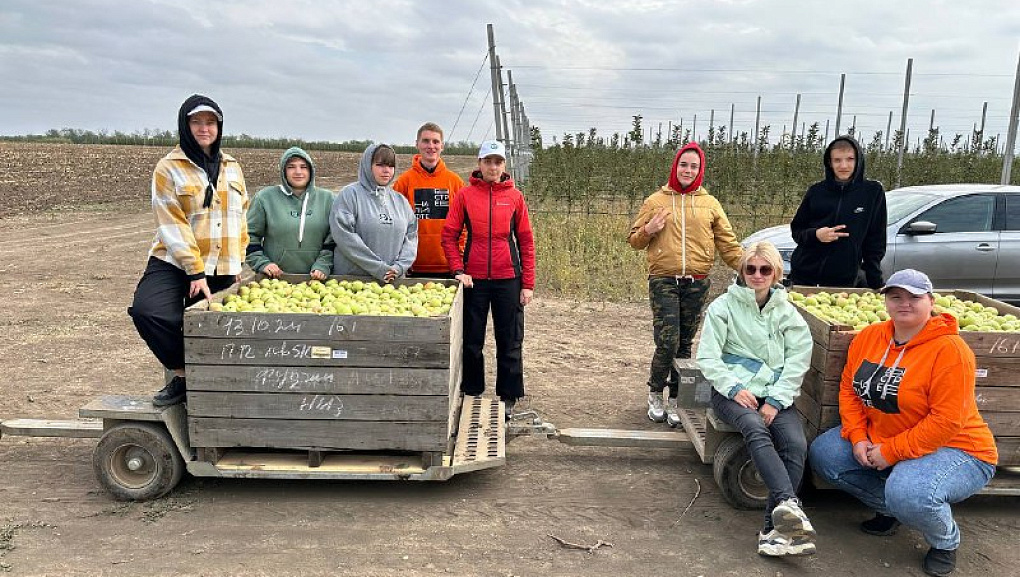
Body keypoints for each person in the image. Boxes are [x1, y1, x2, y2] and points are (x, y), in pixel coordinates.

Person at [809, 269, 997, 577]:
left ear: (931, 301)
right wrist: (857, 437)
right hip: (886, 439)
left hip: (958, 449)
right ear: (886, 301)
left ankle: (944, 540)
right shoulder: (870, 337)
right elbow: (849, 389)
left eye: (914, 297)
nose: (904, 303)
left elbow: (946, 421)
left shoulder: (950, 351)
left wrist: (890, 452)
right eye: (896, 296)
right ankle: (893, 509)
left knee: (909, 491)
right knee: (825, 454)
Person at [696, 241, 816, 557]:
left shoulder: (787, 313)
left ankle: (773, 531)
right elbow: (708, 358)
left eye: (765, 269)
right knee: (754, 428)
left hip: (774, 394)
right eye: (751, 269)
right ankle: (789, 503)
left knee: (795, 443)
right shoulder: (723, 307)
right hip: (731, 393)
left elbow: (798, 358)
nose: (757, 275)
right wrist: (734, 388)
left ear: (776, 273)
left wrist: (776, 400)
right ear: (742, 271)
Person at [128, 94, 248, 406]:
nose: (204, 128)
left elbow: (240, 218)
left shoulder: (232, 167)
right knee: (149, 312)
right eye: (196, 122)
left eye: (210, 122)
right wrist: (194, 269)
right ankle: (184, 376)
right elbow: (172, 222)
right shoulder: (169, 167)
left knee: (215, 330)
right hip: (173, 260)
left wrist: (237, 264)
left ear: (219, 126)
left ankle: (213, 393)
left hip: (220, 264)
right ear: (185, 125)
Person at [628, 142, 743, 427]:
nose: (688, 170)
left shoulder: (710, 204)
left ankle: (678, 399)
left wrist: (752, 270)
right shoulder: (656, 201)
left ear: (700, 170)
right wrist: (648, 230)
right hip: (663, 280)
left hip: (697, 282)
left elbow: (727, 244)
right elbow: (634, 240)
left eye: (694, 166)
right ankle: (656, 391)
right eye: (684, 164)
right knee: (667, 341)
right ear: (675, 166)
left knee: (684, 345)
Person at [441, 140, 535, 419]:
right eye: (488, 161)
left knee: (510, 340)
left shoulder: (515, 197)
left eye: (498, 162)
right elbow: (449, 235)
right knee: (472, 340)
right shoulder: (466, 195)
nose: (493, 167)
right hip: (475, 281)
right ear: (479, 164)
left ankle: (508, 396)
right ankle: (472, 391)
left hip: (509, 279)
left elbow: (526, 242)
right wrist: (458, 269)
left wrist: (527, 283)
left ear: (504, 166)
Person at [788, 135, 887, 289]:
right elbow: (797, 230)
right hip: (804, 275)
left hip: (843, 281)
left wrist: (876, 282)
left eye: (850, 159)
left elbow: (875, 241)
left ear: (858, 160)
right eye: (837, 160)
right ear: (830, 162)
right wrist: (816, 235)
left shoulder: (872, 192)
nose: (844, 165)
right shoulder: (816, 191)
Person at [329, 144, 417, 282]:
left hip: (391, 283)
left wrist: (399, 267)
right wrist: (379, 268)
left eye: (390, 166)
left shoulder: (400, 201)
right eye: (380, 165)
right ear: (367, 165)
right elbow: (344, 236)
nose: (386, 170)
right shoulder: (349, 195)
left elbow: (411, 237)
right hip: (353, 283)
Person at [246, 147, 335, 279]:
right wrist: (262, 263)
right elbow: (248, 236)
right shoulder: (264, 198)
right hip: (276, 280)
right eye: (291, 167)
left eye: (303, 167)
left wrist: (323, 265)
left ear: (311, 170)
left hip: (318, 280)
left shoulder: (329, 199)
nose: (298, 172)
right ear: (283, 171)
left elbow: (334, 239)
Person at [393, 122, 465, 278]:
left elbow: (465, 225)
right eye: (425, 141)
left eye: (435, 141)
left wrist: (458, 257)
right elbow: (395, 224)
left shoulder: (455, 182)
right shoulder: (404, 182)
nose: (431, 146)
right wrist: (402, 260)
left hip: (449, 266)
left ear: (442, 146)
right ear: (417, 144)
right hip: (412, 267)